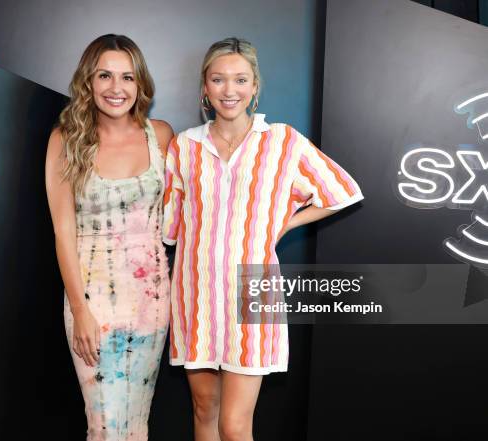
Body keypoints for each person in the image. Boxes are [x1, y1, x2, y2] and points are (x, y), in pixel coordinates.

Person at [162, 37, 363, 441]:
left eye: (240, 80)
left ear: (255, 86)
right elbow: (170, 226)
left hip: (252, 291)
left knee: (235, 425)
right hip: (194, 292)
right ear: (205, 87)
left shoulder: (282, 142)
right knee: (204, 410)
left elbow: (343, 191)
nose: (229, 90)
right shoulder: (184, 146)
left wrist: (285, 224)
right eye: (218, 80)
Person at [45, 34, 173, 441]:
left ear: (140, 85)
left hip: (152, 301)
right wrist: (81, 311)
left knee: (136, 423)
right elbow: (63, 233)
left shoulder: (162, 136)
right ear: (89, 80)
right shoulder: (66, 140)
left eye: (127, 77)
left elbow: (184, 214)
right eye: (105, 76)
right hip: (93, 302)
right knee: (103, 426)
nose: (117, 88)